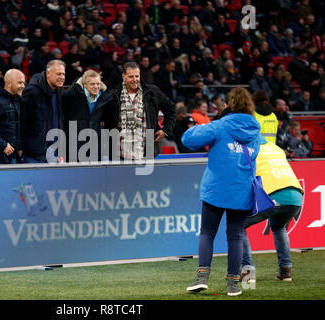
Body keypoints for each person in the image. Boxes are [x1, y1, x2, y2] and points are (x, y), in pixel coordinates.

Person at [182, 87, 261, 296]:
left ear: (228, 105)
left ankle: (202, 278)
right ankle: (234, 284)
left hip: (216, 189)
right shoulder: (255, 131)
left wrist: (205, 125)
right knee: (235, 237)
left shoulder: (219, 125)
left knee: (207, 232)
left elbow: (188, 139)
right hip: (242, 191)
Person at [241, 135, 304, 283]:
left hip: (274, 196)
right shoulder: (275, 148)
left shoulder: (249, 149)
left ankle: (248, 273)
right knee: (279, 227)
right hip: (296, 196)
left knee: (237, 226)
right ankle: (286, 271)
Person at [110, 61, 176, 160]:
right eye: (131, 76)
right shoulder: (113, 95)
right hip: (120, 153)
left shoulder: (152, 92)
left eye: (137, 76)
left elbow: (171, 108)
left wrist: (166, 130)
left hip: (147, 151)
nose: (135, 80)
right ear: (124, 76)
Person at [62, 69, 115, 161]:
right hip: (74, 147)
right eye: (92, 84)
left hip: (95, 147)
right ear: (85, 85)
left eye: (98, 84)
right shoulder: (71, 95)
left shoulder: (106, 98)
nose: (96, 87)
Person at [21, 60, 66, 163]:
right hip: (35, 154)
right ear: (48, 73)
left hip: (55, 152)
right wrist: (20, 147)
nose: (62, 77)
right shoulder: (32, 91)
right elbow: (22, 121)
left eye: (63, 74)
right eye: (59, 74)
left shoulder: (58, 90)